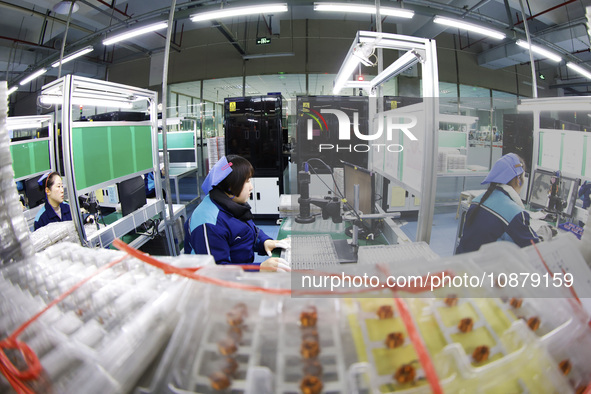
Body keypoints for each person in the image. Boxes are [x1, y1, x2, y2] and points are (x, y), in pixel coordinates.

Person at [184, 155, 290, 272]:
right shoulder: (209, 224)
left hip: (240, 274)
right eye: (247, 181)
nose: (251, 187)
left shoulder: (231, 203)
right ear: (230, 187)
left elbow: (247, 232)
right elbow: (216, 271)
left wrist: (264, 241)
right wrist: (259, 269)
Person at [456, 153, 550, 254]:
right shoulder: (516, 214)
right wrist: (546, 231)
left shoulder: (477, 200)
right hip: (484, 267)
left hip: (465, 262)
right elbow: (536, 248)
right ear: (518, 180)